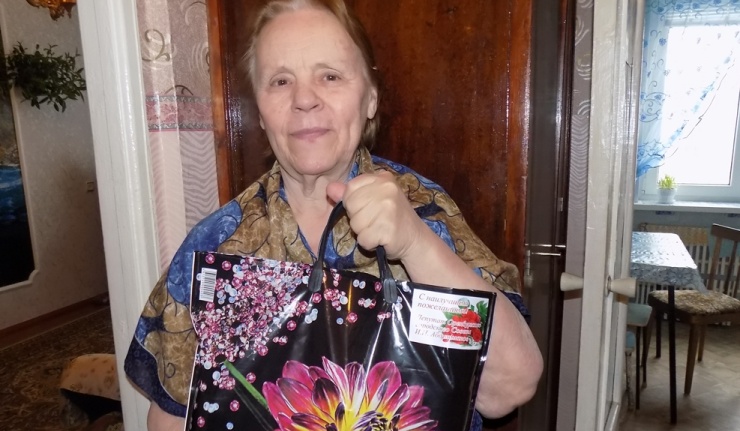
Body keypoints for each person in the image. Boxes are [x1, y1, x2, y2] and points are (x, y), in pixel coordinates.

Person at [124, 1, 543, 430]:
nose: (304, 99)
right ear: (261, 113)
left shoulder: (428, 214)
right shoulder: (218, 248)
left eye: (330, 76)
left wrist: (417, 244)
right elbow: (171, 417)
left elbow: (508, 389)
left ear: (370, 98)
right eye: (280, 81)